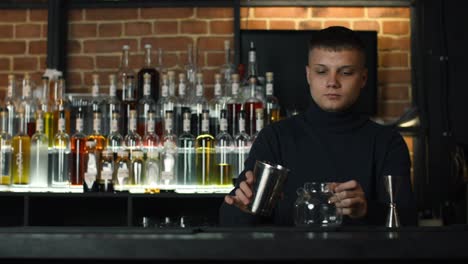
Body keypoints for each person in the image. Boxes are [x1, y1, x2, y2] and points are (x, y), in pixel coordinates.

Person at [219, 26, 417, 226]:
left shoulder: (387, 142)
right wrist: (242, 209)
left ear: (363, 78)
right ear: (308, 75)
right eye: (321, 71)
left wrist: (366, 210)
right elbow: (228, 222)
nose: (332, 82)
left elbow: (408, 225)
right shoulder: (275, 138)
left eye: (346, 72)